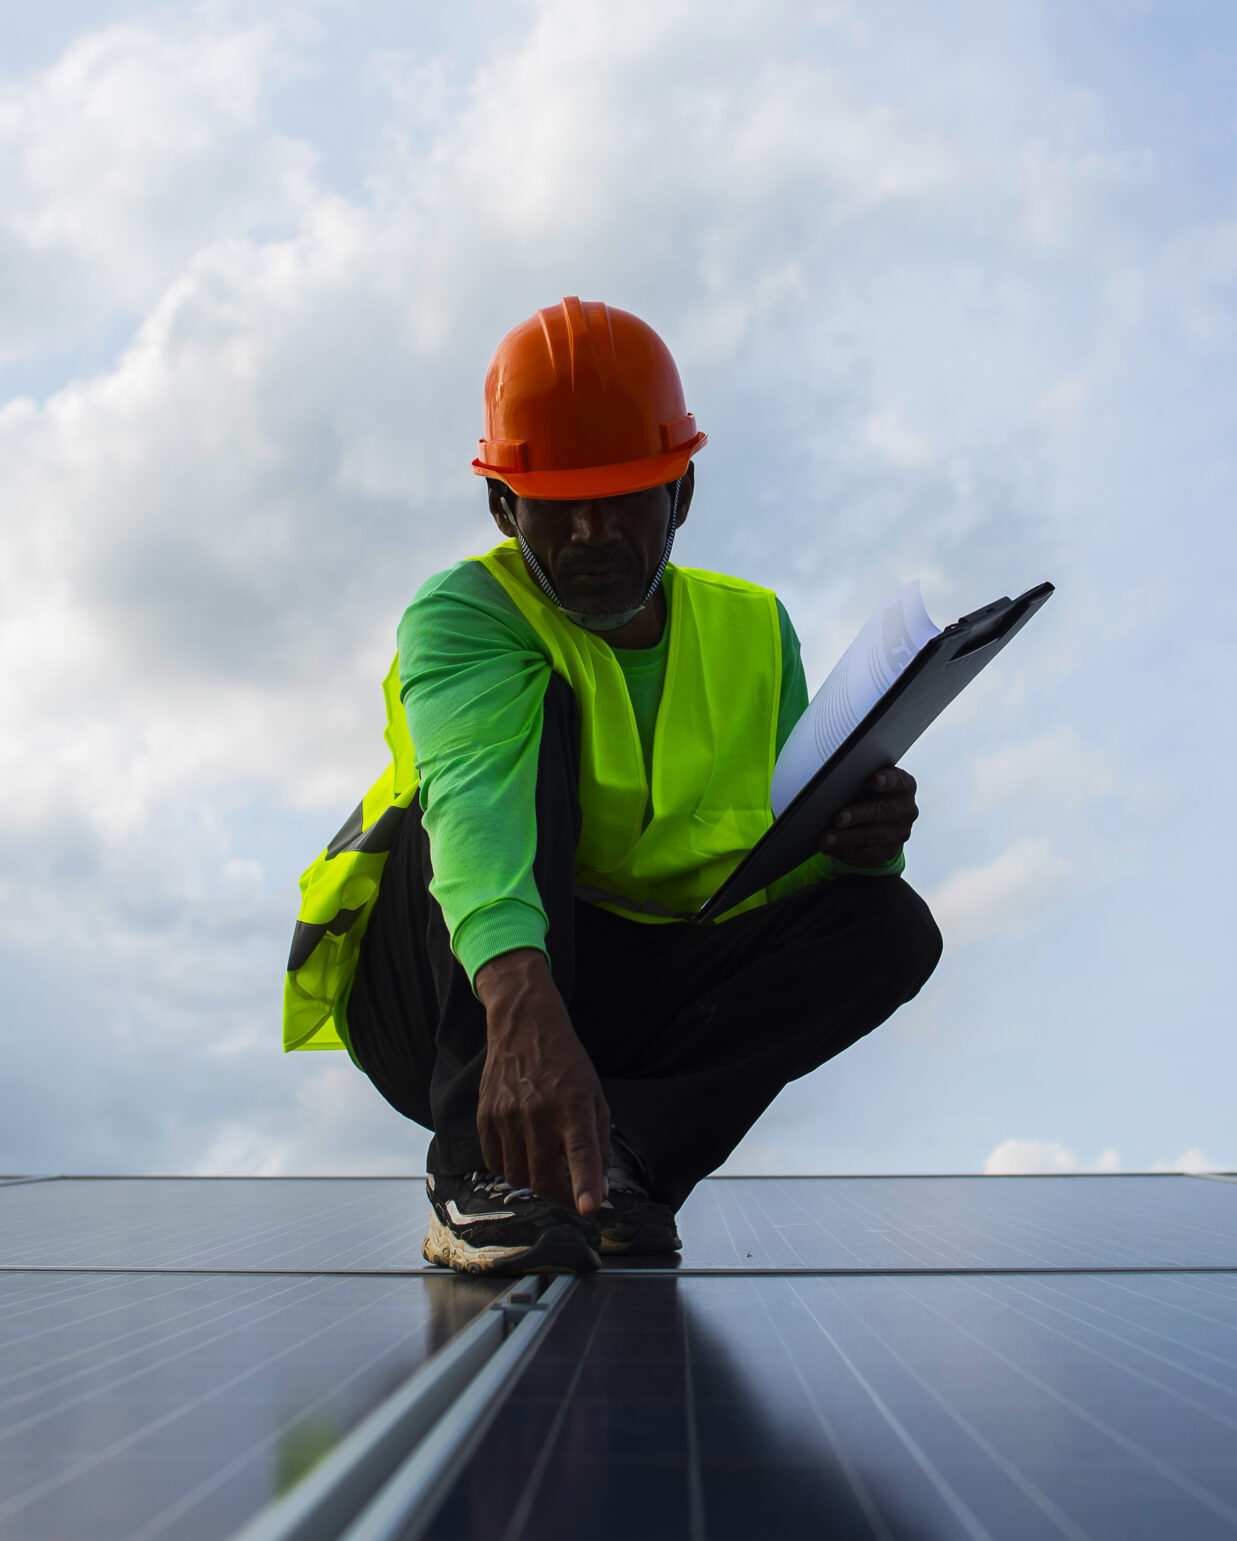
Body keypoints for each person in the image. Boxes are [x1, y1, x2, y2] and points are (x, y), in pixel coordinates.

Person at [284, 297, 943, 1275]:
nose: (593, 530)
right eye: (557, 503)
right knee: (516, 755)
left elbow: (769, 874)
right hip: (437, 984)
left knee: (888, 926)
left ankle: (616, 1164)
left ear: (681, 493)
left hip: (616, 990)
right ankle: (478, 1169)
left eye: (627, 494)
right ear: (505, 508)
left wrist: (863, 836)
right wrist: (518, 1009)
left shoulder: (755, 629)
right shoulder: (465, 614)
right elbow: (469, 812)